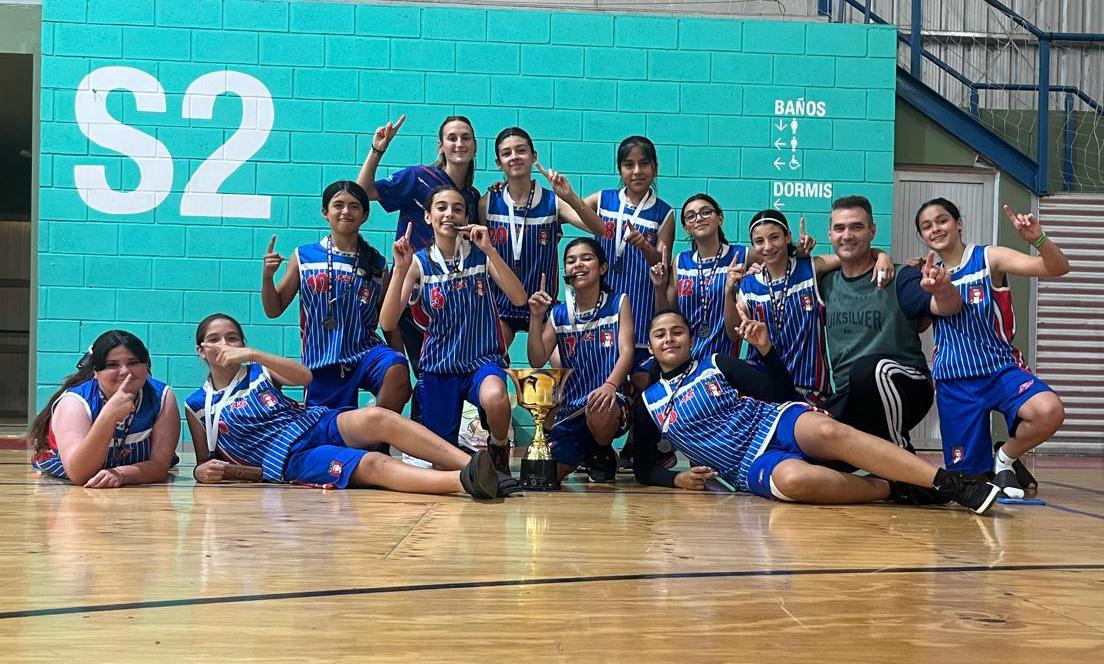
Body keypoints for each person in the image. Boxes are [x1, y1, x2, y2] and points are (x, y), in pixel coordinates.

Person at [632, 309, 1000, 514]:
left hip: (774, 422)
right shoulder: (649, 403)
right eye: (660, 334)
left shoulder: (715, 363)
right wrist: (676, 480)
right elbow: (644, 468)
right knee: (793, 482)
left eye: (677, 331)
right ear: (650, 345)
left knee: (826, 431)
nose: (669, 338)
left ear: (690, 339)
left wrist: (766, 352)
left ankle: (951, 483)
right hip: (748, 465)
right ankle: (894, 488)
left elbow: (780, 394)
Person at [185, 313, 511, 498]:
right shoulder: (198, 404)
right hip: (287, 458)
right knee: (372, 463)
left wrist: (254, 354)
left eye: (232, 338)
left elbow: (304, 377)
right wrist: (200, 471)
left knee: (377, 417)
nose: (225, 344)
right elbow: (205, 461)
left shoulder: (258, 370)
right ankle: (465, 481)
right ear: (201, 350)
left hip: (312, 422)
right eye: (214, 339)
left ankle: (480, 467)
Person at [916, 199, 1068, 496]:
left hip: (999, 368)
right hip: (954, 379)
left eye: (942, 220)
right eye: (927, 226)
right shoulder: (927, 275)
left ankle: (1005, 457)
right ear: (922, 236)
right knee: (970, 482)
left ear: (959, 223)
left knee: (1049, 411)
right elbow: (920, 323)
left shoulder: (989, 258)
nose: (936, 229)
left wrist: (1037, 239)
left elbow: (1058, 267)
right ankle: (993, 468)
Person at [380, 185, 528, 475]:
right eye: (442, 207)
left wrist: (490, 249)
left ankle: (498, 448)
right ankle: (467, 465)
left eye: (457, 209)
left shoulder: (481, 256)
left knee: (496, 397)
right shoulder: (418, 263)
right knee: (441, 462)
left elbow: (519, 298)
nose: (449, 213)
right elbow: (387, 322)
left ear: (466, 217)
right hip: (439, 366)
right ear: (428, 216)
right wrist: (399, 269)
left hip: (481, 361)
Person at [355, 115, 481, 421]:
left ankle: (439, 434)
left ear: (475, 146)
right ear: (441, 145)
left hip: (452, 303)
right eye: (452, 137)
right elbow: (362, 192)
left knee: (445, 374)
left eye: (465, 137)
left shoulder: (472, 197)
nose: (459, 143)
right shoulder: (418, 177)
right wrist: (377, 149)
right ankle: (397, 434)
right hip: (412, 296)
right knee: (420, 372)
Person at [818, 195, 962, 450]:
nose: (847, 235)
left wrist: (943, 290)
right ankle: (883, 466)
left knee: (868, 370)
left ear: (872, 231)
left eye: (857, 227)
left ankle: (899, 454)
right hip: (850, 396)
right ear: (830, 234)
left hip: (906, 383)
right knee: (813, 438)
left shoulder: (901, 278)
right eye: (840, 228)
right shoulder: (825, 283)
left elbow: (947, 306)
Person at [261, 181, 410, 414]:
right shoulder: (304, 256)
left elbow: (388, 322)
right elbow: (274, 309)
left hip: (365, 353)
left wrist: (400, 358)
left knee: (396, 371)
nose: (346, 211)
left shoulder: (377, 263)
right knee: (331, 429)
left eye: (354, 206)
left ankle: (375, 431)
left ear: (364, 215)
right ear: (325, 212)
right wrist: (267, 277)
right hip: (323, 360)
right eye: (338, 205)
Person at [738, 210, 894, 404]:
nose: (768, 246)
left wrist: (882, 255)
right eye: (759, 241)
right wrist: (728, 291)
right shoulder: (749, 285)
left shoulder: (810, 268)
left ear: (788, 237)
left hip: (809, 390)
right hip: (765, 389)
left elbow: (853, 256)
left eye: (774, 237)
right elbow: (733, 328)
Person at [480, 127, 605, 348]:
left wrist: (570, 196)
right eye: (507, 153)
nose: (514, 157)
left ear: (534, 155)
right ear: (498, 163)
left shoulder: (553, 202)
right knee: (491, 352)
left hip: (544, 304)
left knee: (561, 361)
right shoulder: (488, 202)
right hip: (500, 306)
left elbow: (598, 228)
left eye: (521, 150)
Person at [527, 238, 635, 482]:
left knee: (599, 407)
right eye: (571, 260)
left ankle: (601, 449)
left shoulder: (618, 302)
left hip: (609, 400)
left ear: (602, 267)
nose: (578, 264)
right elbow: (536, 359)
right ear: (565, 270)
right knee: (545, 477)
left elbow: (627, 351)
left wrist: (610, 385)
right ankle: (583, 453)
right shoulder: (558, 314)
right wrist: (535, 317)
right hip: (571, 409)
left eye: (587, 258)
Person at [29, 330, 180, 488]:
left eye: (134, 362)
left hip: (129, 485)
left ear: (145, 366)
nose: (125, 371)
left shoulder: (162, 396)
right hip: (66, 487)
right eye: (112, 365)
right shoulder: (74, 403)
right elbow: (80, 474)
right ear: (95, 371)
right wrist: (109, 416)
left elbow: (160, 465)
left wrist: (121, 474)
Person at [649, 194, 747, 361]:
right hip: (686, 362)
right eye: (691, 216)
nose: (699, 218)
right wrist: (659, 287)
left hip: (724, 361)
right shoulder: (681, 262)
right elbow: (666, 316)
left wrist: (760, 268)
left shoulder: (742, 255)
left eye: (706, 212)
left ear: (720, 218)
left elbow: (776, 262)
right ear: (686, 228)